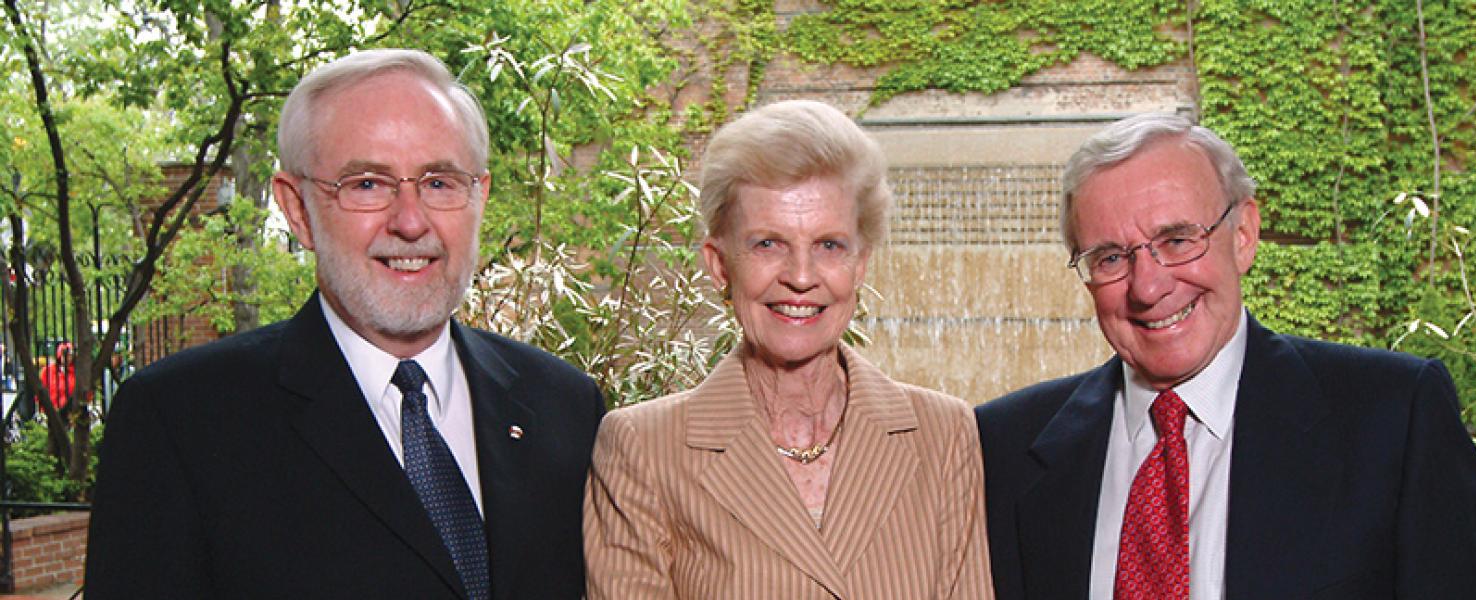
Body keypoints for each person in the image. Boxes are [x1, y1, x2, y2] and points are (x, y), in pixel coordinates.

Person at [86, 49, 605, 600]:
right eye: (366, 184)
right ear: (298, 210)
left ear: (480, 196)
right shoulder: (181, 423)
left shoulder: (565, 408)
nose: (410, 221)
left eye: (439, 183)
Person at [978, 113, 1476, 599]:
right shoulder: (1002, 445)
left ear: (1244, 236)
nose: (1149, 286)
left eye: (1178, 240)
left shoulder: (1393, 420)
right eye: (1111, 257)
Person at [583, 100, 994, 598]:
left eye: (829, 246)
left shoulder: (944, 434)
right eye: (768, 244)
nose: (800, 277)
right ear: (718, 265)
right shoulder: (643, 449)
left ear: (860, 264)